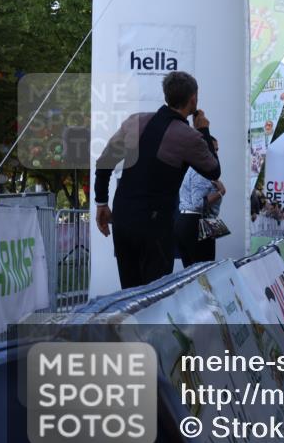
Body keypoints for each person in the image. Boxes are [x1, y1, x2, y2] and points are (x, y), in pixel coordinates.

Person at [94, 71, 220, 289]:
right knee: (155, 297)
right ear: (194, 99)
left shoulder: (135, 121)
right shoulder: (190, 137)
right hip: (155, 226)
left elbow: (104, 162)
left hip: (122, 218)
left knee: (130, 293)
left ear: (166, 95)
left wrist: (101, 202)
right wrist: (204, 130)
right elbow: (214, 170)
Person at [175, 137, 225, 266]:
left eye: (217, 150)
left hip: (191, 222)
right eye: (214, 150)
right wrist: (221, 192)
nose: (216, 154)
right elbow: (198, 204)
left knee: (194, 271)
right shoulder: (201, 171)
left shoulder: (196, 169)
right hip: (196, 223)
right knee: (203, 272)